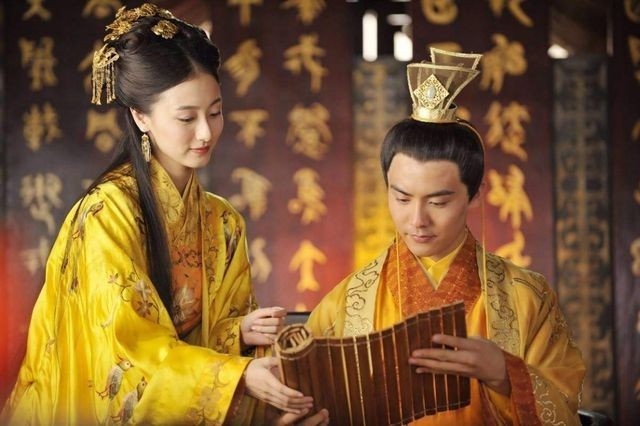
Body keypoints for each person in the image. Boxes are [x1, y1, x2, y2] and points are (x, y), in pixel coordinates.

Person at [1, 4, 328, 425]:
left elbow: (208, 331)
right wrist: (236, 375)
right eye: (186, 117)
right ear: (141, 116)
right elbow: (127, 354)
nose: (206, 132)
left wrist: (239, 333)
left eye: (215, 112)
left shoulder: (222, 222)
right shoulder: (106, 215)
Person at [307, 49, 585, 424]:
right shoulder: (348, 303)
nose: (417, 220)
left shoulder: (527, 298)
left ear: (475, 194)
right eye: (401, 198)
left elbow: (566, 408)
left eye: (438, 202)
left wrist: (505, 374)